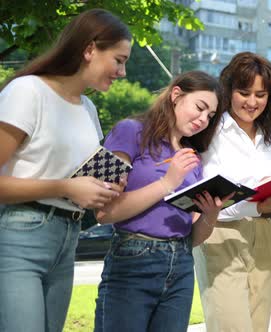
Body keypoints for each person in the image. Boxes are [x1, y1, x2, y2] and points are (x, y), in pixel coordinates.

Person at [0, 9, 131, 332]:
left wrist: (105, 189)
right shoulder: (28, 91)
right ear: (89, 49)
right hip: (20, 237)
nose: (123, 72)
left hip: (68, 238)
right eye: (119, 60)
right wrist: (66, 187)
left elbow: (82, 183)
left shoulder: (87, 109)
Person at [93, 70, 230, 332]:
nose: (203, 120)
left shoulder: (193, 159)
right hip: (132, 259)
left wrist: (211, 215)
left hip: (181, 264)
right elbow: (102, 212)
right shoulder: (127, 131)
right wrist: (167, 183)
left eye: (210, 116)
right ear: (176, 95)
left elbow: (194, 236)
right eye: (200, 108)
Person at [193, 52, 271, 332]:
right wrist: (257, 205)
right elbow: (203, 199)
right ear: (228, 90)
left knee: (257, 325)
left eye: (260, 94)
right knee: (231, 327)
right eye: (244, 92)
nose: (252, 102)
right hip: (219, 233)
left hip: (264, 234)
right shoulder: (210, 132)